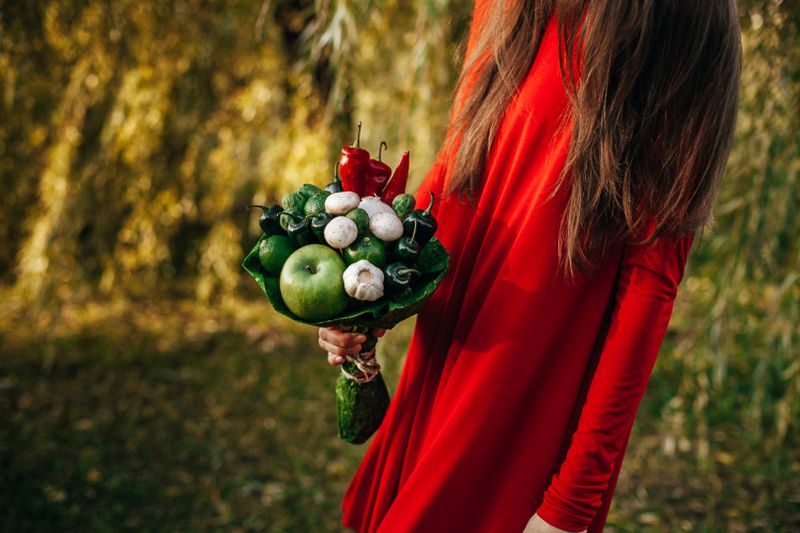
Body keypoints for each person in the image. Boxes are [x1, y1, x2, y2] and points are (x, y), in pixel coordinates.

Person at [318, 1, 741, 531]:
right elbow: (461, 164)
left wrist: (572, 502)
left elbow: (649, 282)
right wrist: (371, 296)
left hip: (530, 389)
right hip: (451, 343)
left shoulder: (682, 15)